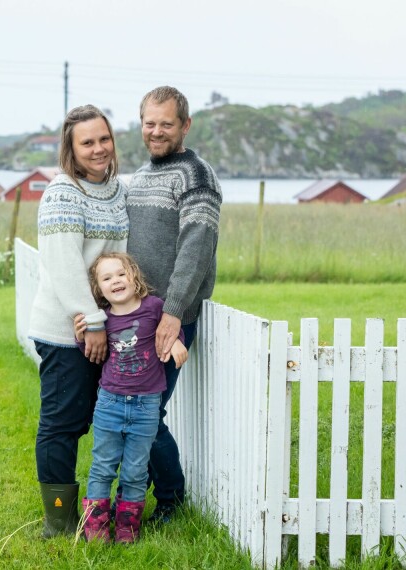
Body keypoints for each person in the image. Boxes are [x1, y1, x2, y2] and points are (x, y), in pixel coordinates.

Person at [28, 104, 129, 538]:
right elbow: (64, 264)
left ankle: (94, 512)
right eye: (87, 142)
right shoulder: (63, 193)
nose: (98, 148)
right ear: (71, 149)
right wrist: (89, 318)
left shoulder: (116, 190)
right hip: (67, 328)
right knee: (62, 423)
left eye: (103, 139)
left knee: (88, 420)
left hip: (100, 325)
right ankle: (58, 521)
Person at [125, 86, 222, 524]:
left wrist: (173, 314)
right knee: (129, 408)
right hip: (133, 317)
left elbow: (195, 250)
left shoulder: (196, 176)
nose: (157, 131)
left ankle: (170, 501)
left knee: (148, 412)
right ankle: (138, 490)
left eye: (166, 123)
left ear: (185, 125)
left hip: (169, 318)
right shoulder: (141, 177)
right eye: (150, 123)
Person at [73, 252, 187, 543]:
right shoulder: (102, 320)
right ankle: (95, 529)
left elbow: (170, 332)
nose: (116, 281)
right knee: (103, 466)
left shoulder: (153, 308)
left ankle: (127, 529)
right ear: (99, 289)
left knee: (136, 470)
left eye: (121, 274)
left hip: (147, 405)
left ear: (134, 278)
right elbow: (88, 350)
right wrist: (80, 333)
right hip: (110, 403)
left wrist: (175, 344)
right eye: (107, 278)